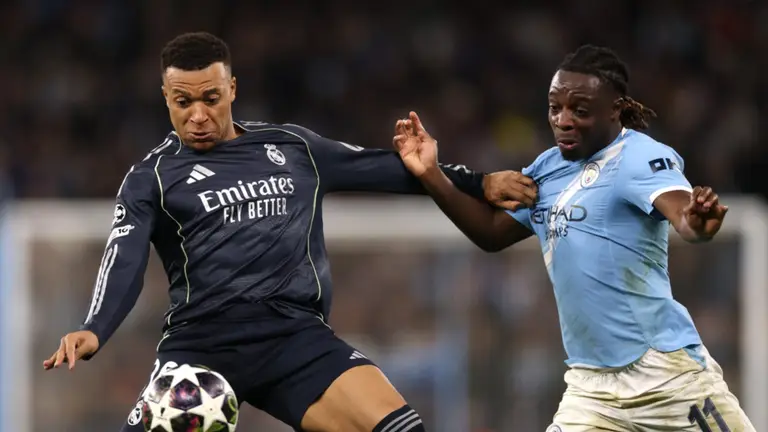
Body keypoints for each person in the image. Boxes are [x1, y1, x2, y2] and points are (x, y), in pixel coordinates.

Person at [41, 32, 537, 432]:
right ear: (165, 98)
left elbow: (393, 168)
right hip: (202, 347)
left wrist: (479, 182)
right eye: (182, 101)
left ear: (232, 89)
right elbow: (123, 257)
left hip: (294, 338)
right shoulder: (151, 176)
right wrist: (95, 327)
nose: (198, 115)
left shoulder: (293, 148)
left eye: (211, 98)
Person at [393, 45, 755, 431]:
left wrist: (698, 221)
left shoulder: (638, 157)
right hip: (592, 390)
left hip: (667, 376)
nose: (563, 121)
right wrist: (431, 175)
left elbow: (683, 215)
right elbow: (492, 233)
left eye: (580, 110)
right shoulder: (547, 169)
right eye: (555, 108)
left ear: (615, 109)